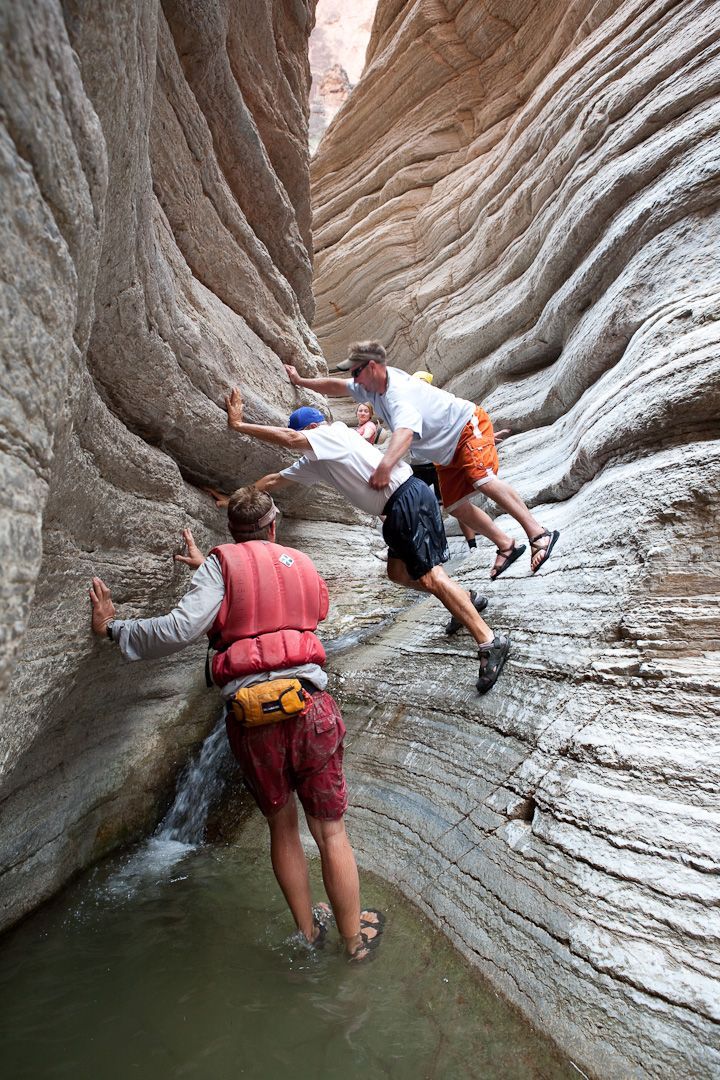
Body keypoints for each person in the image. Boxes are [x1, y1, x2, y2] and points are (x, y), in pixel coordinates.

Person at [88, 486, 384, 961]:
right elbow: (314, 609)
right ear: (273, 525)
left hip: (253, 719)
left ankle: (308, 934)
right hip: (310, 710)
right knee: (331, 832)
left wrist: (114, 628)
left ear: (232, 530)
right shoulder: (302, 562)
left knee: (283, 829)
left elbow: (180, 629)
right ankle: (353, 943)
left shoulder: (218, 566)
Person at [223, 389, 509, 695]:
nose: (299, 445)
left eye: (300, 438)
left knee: (431, 576)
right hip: (397, 507)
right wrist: (235, 498)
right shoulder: (315, 460)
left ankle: (490, 641)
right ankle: (465, 598)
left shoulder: (332, 433)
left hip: (407, 498)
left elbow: (291, 440)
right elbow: (274, 481)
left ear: (309, 430)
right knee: (398, 573)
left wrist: (240, 425)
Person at [285, 342, 559, 582]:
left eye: (357, 372)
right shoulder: (372, 387)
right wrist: (301, 381)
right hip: (445, 451)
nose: (353, 380)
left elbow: (404, 432)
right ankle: (506, 545)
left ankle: (539, 535)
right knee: (455, 506)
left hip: (464, 426)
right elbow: (337, 386)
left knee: (482, 479)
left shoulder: (396, 394)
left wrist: (385, 466)